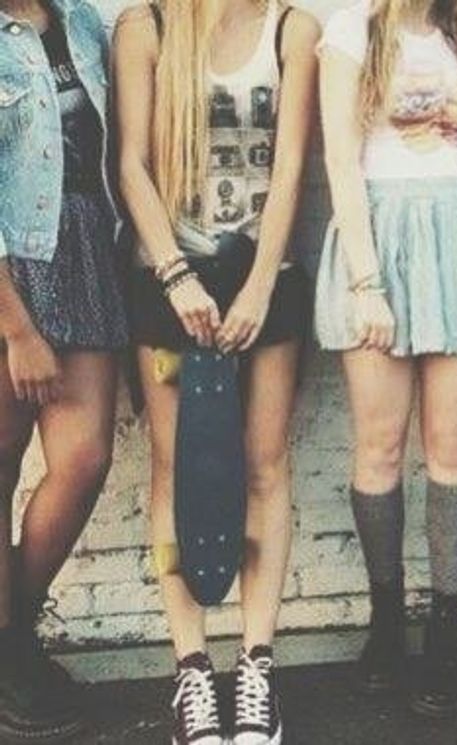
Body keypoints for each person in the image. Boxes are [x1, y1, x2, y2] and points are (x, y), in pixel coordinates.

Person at [114, 1, 319, 742]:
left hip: (266, 281)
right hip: (170, 285)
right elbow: (132, 164)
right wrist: (176, 276)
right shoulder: (146, 27)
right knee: (174, 469)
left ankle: (257, 665)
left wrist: (261, 284)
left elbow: (291, 167)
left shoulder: (291, 29)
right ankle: (193, 668)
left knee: (265, 465)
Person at [317, 0, 457, 718]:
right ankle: (387, 623)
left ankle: (445, 628)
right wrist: (366, 282)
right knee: (380, 446)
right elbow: (341, 161)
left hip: (456, 240)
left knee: (451, 447)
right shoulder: (352, 29)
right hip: (381, 239)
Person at [0, 0, 126, 739]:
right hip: (9, 267)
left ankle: (11, 630)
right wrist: (17, 327)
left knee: (83, 458)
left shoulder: (80, 20)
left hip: (81, 250)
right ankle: (13, 655)